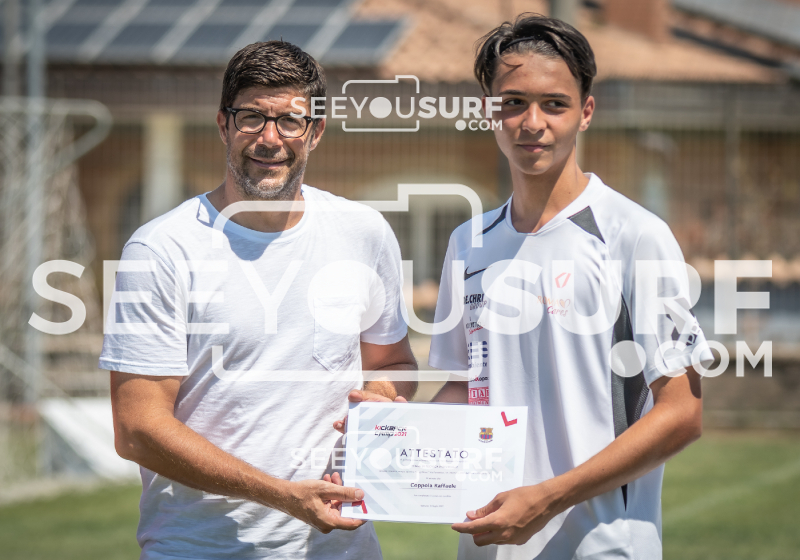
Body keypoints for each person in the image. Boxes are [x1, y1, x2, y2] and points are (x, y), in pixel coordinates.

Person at [100, 41, 417, 560]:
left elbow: (393, 362)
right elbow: (137, 430)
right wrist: (282, 495)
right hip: (201, 548)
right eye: (252, 117)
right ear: (223, 125)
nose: (270, 139)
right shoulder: (161, 249)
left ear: (315, 132)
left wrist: (380, 398)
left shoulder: (364, 232)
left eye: (290, 121)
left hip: (342, 548)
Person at [428, 14, 713, 560]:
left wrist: (547, 499)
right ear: (489, 111)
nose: (531, 122)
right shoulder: (468, 242)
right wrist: (386, 436)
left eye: (554, 104)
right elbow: (466, 388)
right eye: (513, 102)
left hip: (602, 547)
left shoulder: (634, 235)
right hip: (489, 544)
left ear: (585, 112)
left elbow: (682, 414)